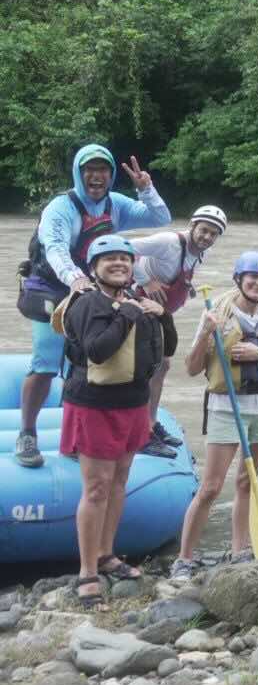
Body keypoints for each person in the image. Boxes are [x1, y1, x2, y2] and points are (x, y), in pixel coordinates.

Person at [13, 145, 170, 469]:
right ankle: (27, 432)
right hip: (53, 287)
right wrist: (74, 279)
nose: (96, 176)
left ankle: (73, 438)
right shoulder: (61, 207)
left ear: (111, 175)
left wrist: (146, 189)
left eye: (103, 170)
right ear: (78, 173)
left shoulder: (116, 205)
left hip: (91, 289)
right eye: (90, 169)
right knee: (45, 362)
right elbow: (55, 248)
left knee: (81, 365)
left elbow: (160, 218)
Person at [170, 251, 258, 579]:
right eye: (253, 277)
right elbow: (192, 368)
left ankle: (240, 549)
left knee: (246, 481)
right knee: (212, 486)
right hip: (227, 408)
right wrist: (204, 334)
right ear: (239, 279)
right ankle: (184, 558)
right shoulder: (217, 313)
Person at [52, 236, 165, 605]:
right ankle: (87, 571)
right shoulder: (87, 303)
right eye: (109, 259)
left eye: (124, 259)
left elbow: (164, 352)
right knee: (97, 487)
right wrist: (128, 314)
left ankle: (106, 554)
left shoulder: (135, 300)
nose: (119, 264)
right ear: (94, 267)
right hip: (93, 404)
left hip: (131, 403)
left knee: (119, 480)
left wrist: (158, 313)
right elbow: (98, 350)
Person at [130, 205, 228, 459]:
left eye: (213, 234)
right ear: (193, 226)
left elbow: (177, 273)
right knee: (147, 368)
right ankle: (141, 433)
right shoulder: (169, 242)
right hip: (138, 306)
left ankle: (151, 423)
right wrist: (145, 280)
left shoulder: (198, 253)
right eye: (204, 230)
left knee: (162, 367)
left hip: (160, 313)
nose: (206, 237)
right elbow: (122, 247)